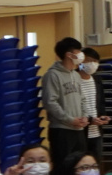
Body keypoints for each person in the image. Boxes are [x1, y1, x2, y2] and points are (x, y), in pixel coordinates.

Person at [43, 38, 100, 166]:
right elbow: (50, 102)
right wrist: (70, 119)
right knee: (63, 166)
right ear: (69, 55)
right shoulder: (52, 75)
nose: (81, 54)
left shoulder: (75, 75)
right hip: (61, 130)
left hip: (79, 129)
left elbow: (82, 99)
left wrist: (85, 117)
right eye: (78, 51)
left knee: (79, 164)